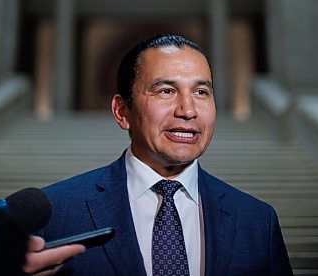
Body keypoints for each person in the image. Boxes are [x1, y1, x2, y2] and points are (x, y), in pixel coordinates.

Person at [23, 34, 293, 275]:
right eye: (166, 91)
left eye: (201, 92)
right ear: (122, 111)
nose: (188, 110)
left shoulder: (257, 220)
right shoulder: (55, 213)